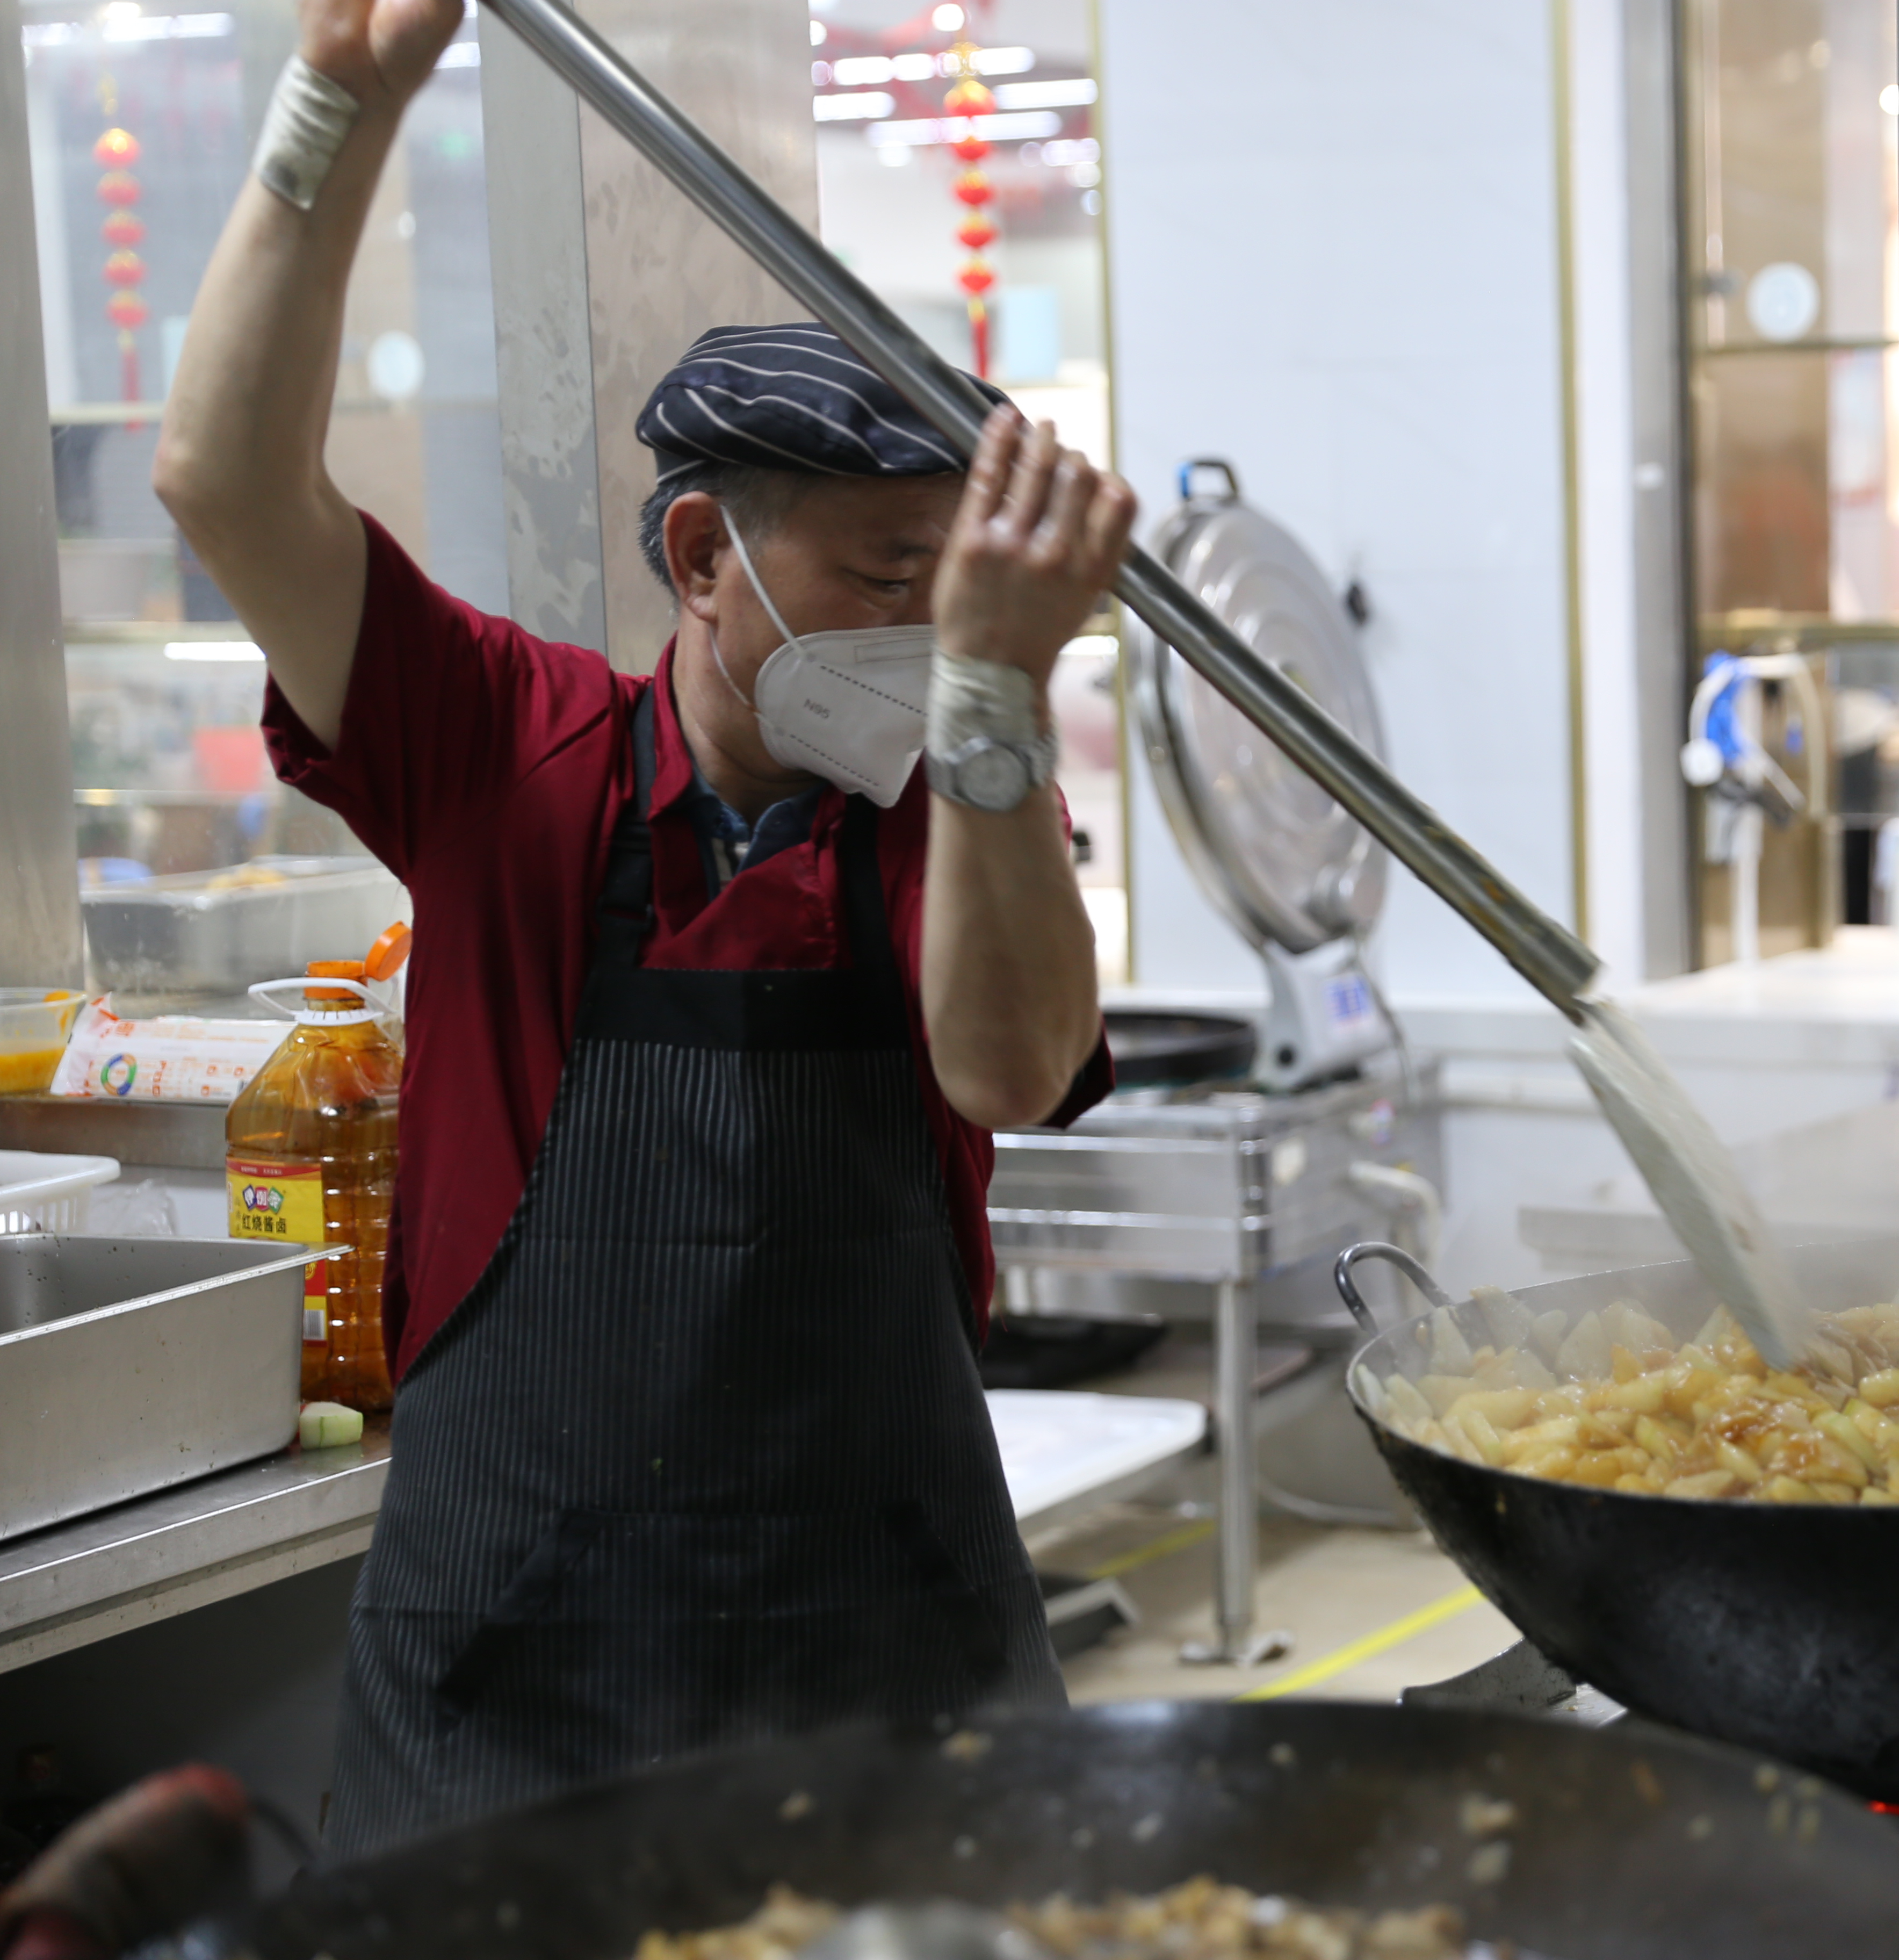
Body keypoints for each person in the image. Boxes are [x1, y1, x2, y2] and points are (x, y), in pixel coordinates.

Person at [153, 0, 1137, 1857]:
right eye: (886, 578)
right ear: (702, 561)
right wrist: (333, 111)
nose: (926, 636)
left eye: (961, 594)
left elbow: (1009, 1069)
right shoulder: (499, 751)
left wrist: (998, 701)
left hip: (890, 1674)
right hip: (511, 1691)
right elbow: (226, 478)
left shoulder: (958, 794)